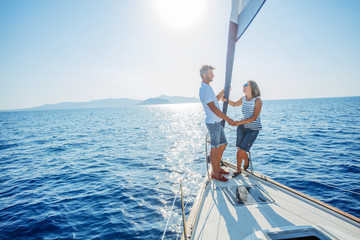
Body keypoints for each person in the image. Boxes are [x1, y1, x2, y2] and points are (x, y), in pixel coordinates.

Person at [199, 65, 235, 182]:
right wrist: (228, 119)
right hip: (213, 123)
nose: (213, 75)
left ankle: (217, 167)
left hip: (217, 122)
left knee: (223, 144)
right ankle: (215, 173)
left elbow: (215, 99)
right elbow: (214, 108)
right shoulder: (204, 89)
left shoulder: (208, 88)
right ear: (204, 75)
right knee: (215, 148)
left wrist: (224, 91)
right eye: (210, 73)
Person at [222, 80, 262, 177]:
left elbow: (254, 117)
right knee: (239, 149)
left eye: (245, 85)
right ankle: (238, 170)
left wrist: (238, 122)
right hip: (242, 127)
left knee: (241, 151)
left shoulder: (258, 101)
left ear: (251, 87)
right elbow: (235, 104)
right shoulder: (244, 98)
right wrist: (226, 100)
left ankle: (246, 159)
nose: (243, 86)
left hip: (253, 129)